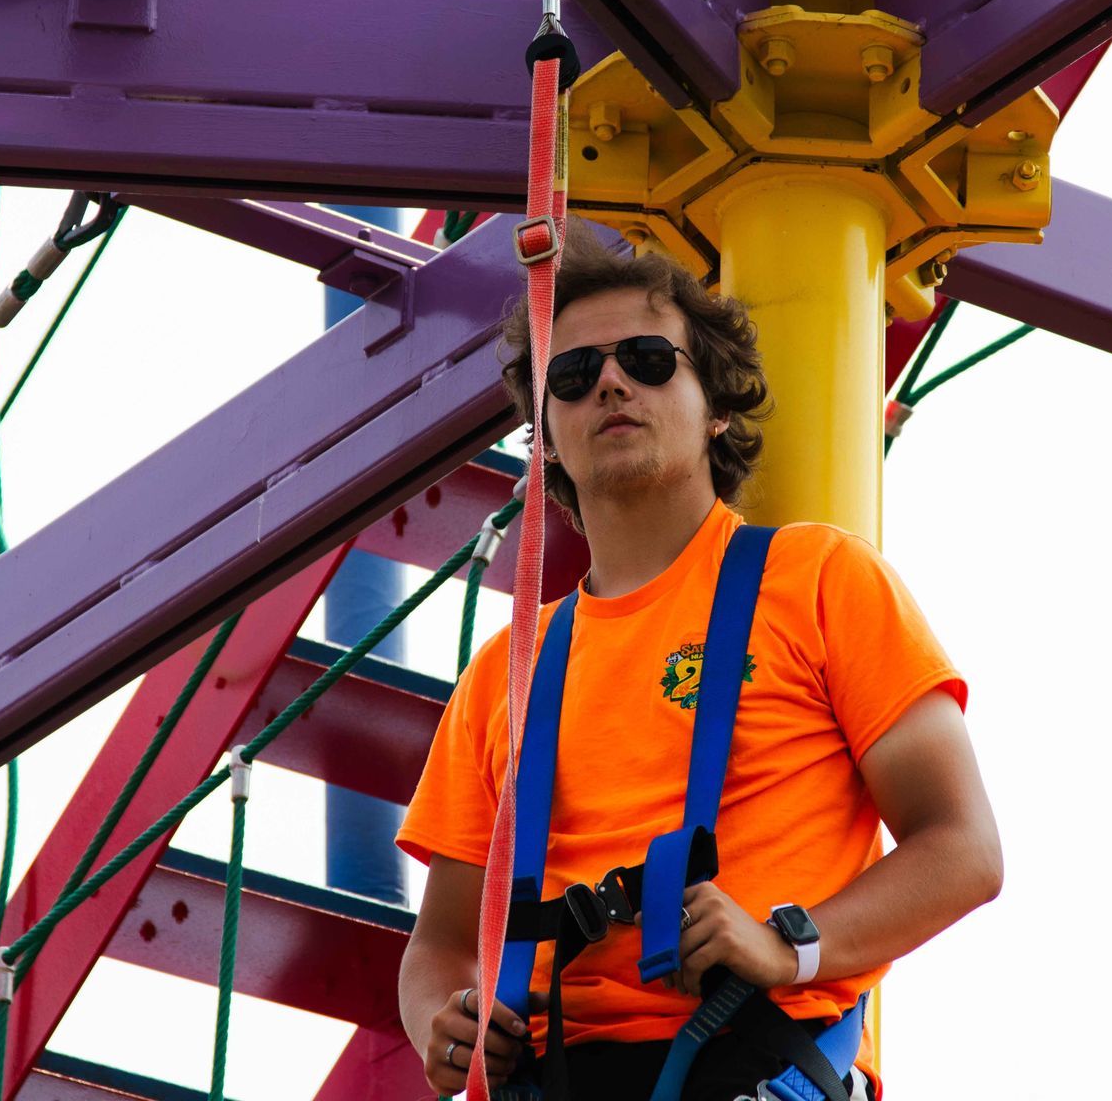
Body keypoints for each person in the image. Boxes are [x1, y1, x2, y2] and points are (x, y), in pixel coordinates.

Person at [396, 226, 1002, 1101]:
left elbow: (964, 848)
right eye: (571, 375)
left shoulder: (820, 580)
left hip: (758, 1057)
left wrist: (788, 943)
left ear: (715, 404)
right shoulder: (504, 674)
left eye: (647, 359)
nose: (609, 381)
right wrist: (444, 1022)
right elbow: (440, 941)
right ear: (550, 437)